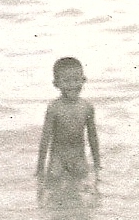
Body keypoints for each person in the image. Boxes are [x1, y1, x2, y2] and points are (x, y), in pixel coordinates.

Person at [36, 57, 101, 192]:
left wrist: (97, 164)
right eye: (66, 81)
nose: (72, 85)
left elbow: (93, 137)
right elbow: (45, 139)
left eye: (76, 80)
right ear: (56, 84)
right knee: (53, 187)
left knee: (83, 188)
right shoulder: (54, 108)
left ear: (83, 80)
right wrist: (40, 169)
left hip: (79, 157)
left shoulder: (87, 107)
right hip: (58, 157)